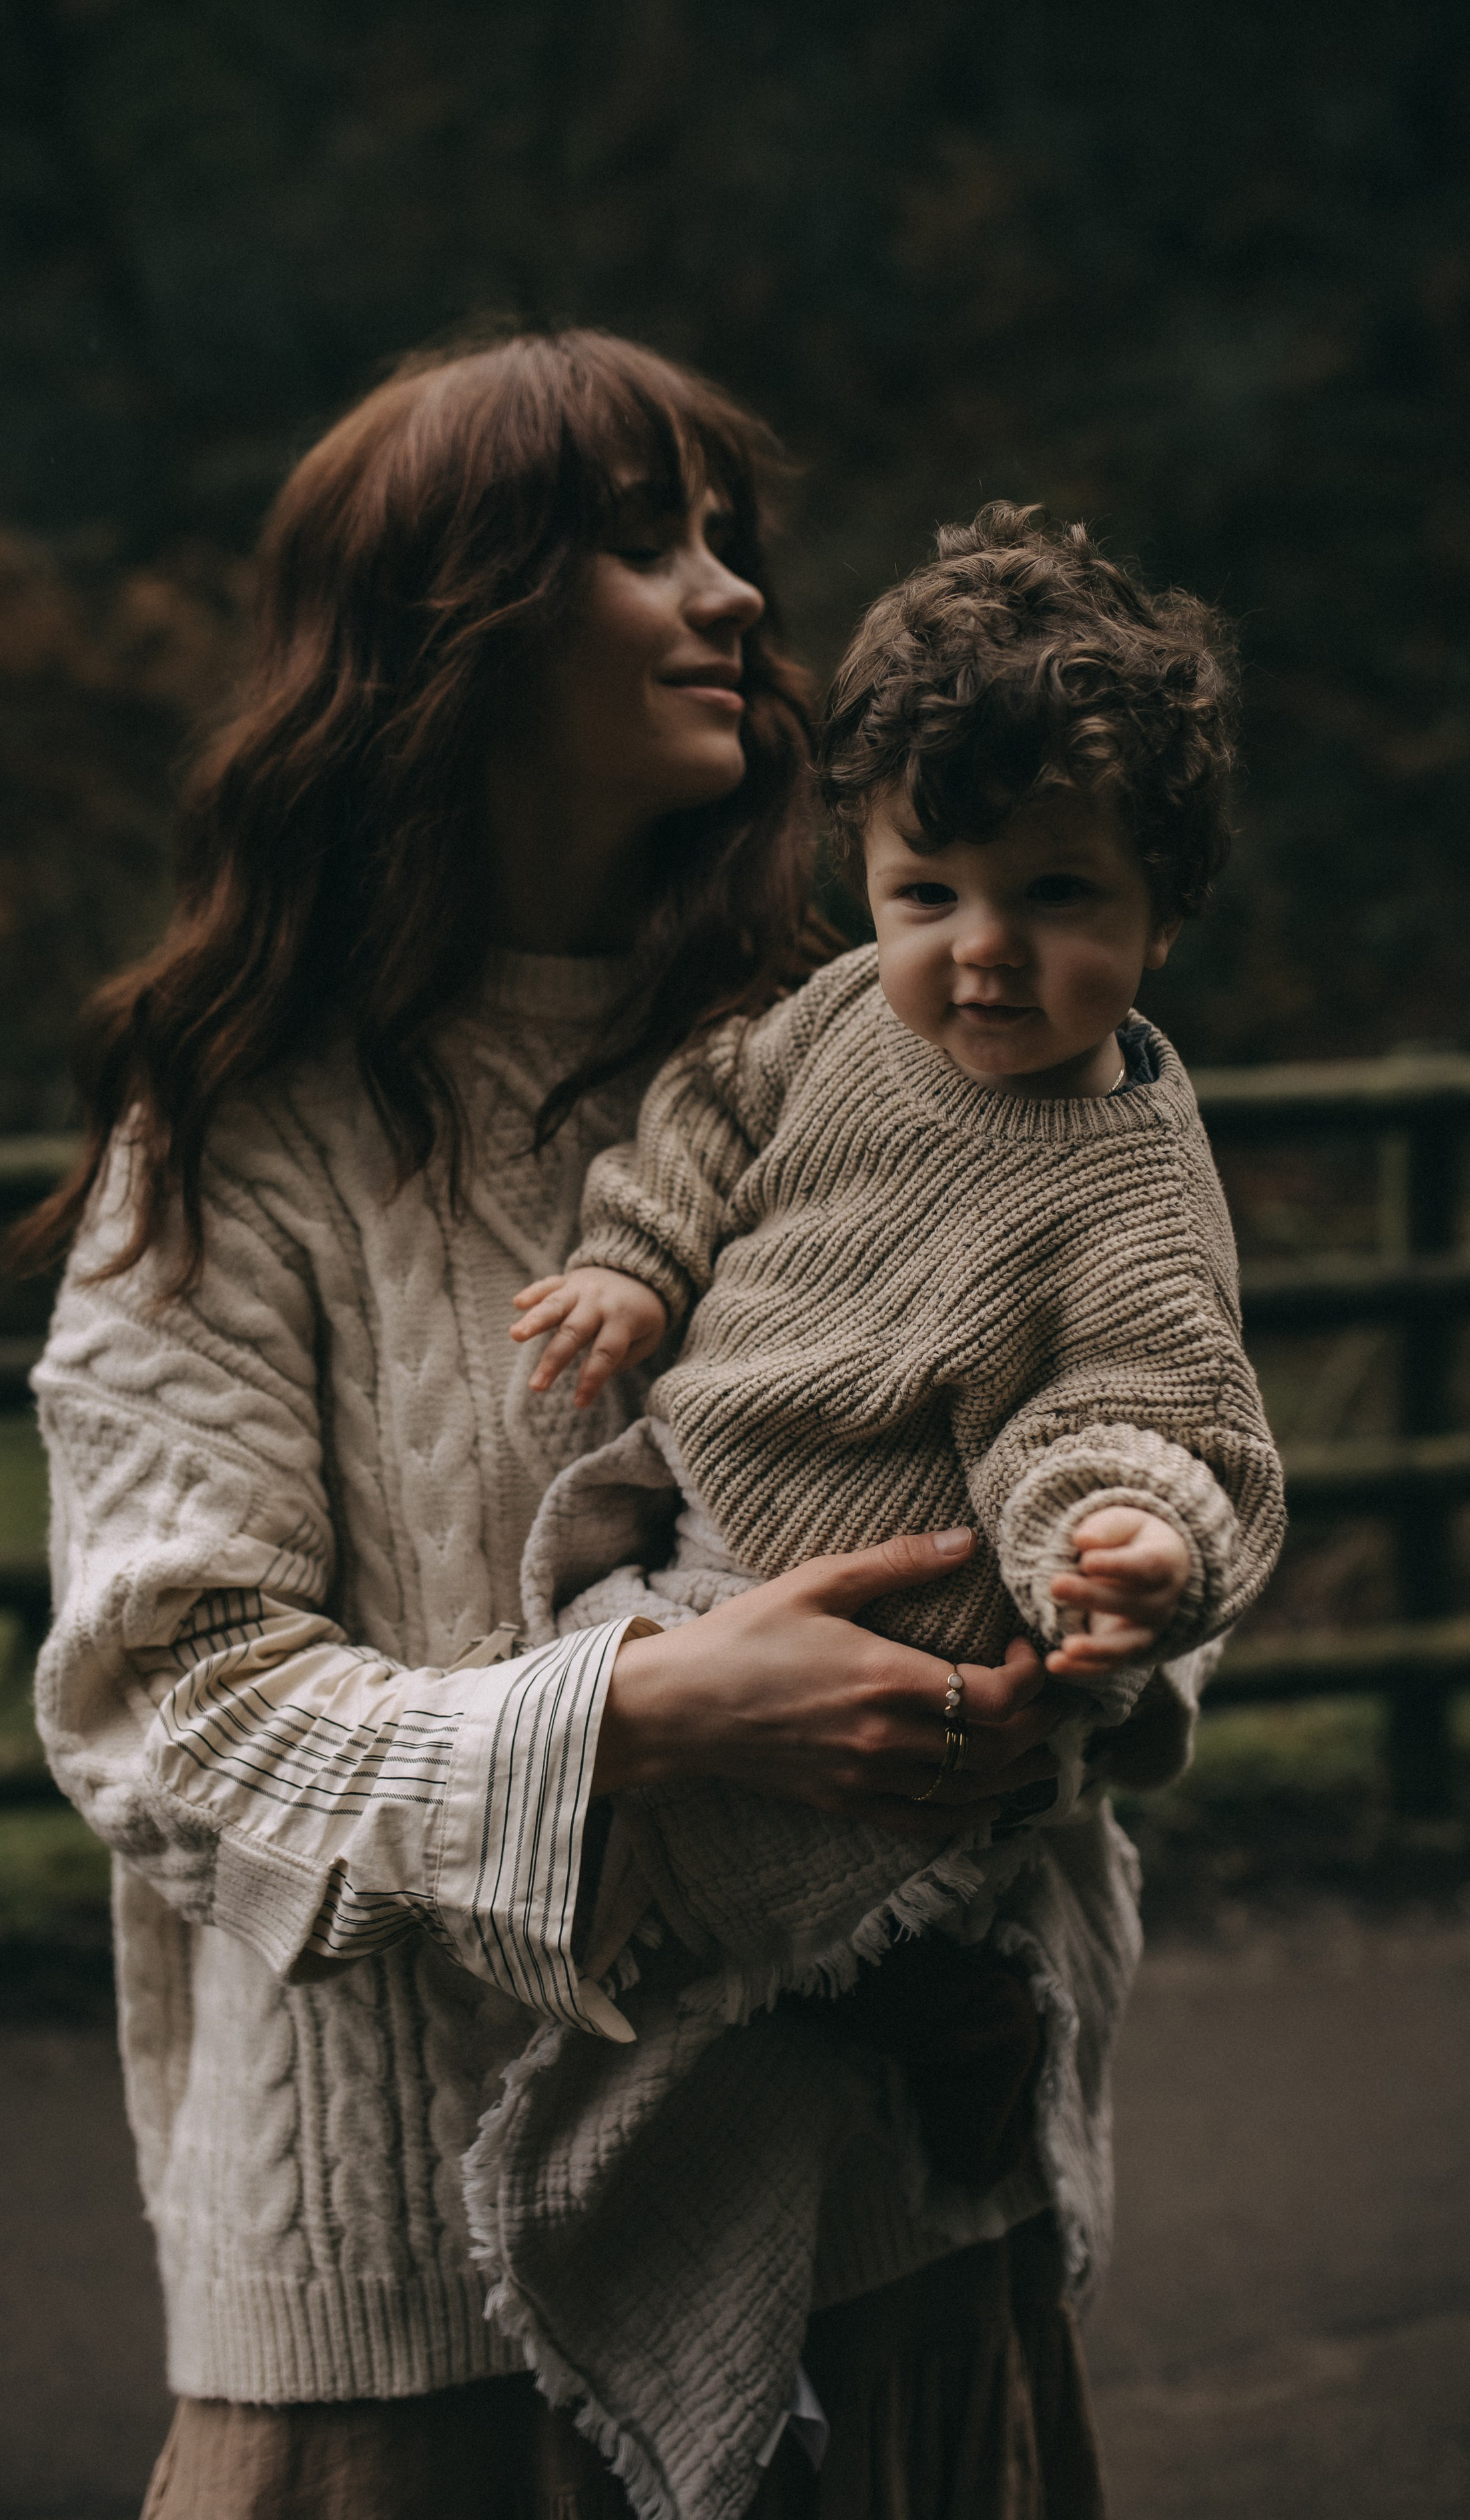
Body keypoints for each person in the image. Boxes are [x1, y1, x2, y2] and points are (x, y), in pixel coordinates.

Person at [18, 337, 1133, 2520]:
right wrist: (645, 1715)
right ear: (452, 631)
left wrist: (1086, 1646)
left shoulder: (863, 1044)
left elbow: (1106, 1410)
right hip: (419, 2314)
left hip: (886, 2229)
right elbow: (175, 1711)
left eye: (725, 536)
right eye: (644, 541)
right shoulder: (240, 1129)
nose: (734, 593)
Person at [512, 504, 1287, 1931]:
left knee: (796, 1932)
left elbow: (1144, 1407)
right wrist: (637, 1259)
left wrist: (1127, 1536)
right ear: (864, 875)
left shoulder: (1130, 1189)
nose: (982, 946)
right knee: (590, 1862)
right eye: (926, 892)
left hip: (900, 1627)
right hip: (698, 1521)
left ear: (1162, 911)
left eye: (1056, 893)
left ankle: (902, 1981)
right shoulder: (850, 1011)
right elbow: (715, 1107)